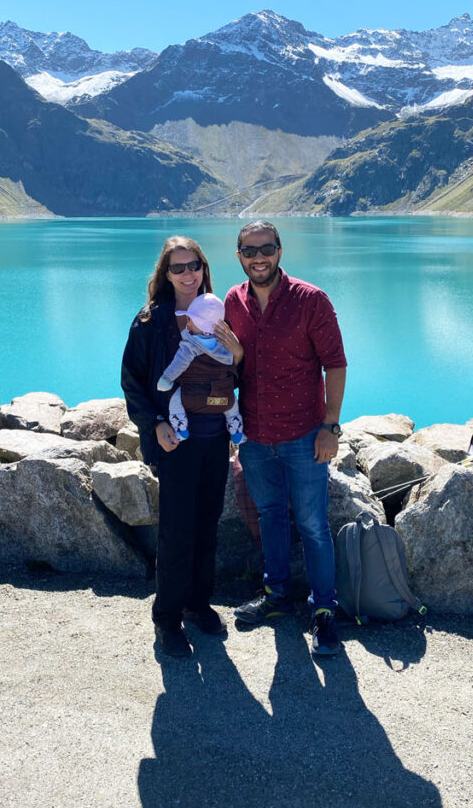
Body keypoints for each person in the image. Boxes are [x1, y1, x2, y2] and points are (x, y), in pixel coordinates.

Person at [215, 220, 347, 657]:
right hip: (254, 436)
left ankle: (324, 611)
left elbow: (336, 364)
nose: (259, 257)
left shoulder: (311, 300)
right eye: (250, 250)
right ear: (238, 255)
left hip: (304, 434)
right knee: (270, 515)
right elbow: (225, 363)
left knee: (312, 524)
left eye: (266, 248)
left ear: (280, 250)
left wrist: (330, 426)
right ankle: (276, 597)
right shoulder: (233, 302)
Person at [121, 237, 230, 658]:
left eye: (195, 265)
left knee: (207, 525)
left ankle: (198, 604)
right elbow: (133, 382)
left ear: (204, 267)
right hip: (176, 440)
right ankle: (167, 619)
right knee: (177, 531)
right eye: (178, 267)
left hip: (215, 436)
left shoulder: (219, 313)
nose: (189, 274)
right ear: (165, 275)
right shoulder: (151, 321)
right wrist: (156, 424)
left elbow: (233, 367)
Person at [157, 292, 246, 445]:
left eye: (190, 319)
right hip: (223, 396)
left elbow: (178, 364)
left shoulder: (190, 345)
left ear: (196, 323)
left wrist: (166, 379)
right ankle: (236, 431)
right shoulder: (227, 342)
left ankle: (181, 428)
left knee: (175, 400)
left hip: (193, 397)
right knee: (232, 405)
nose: (188, 322)